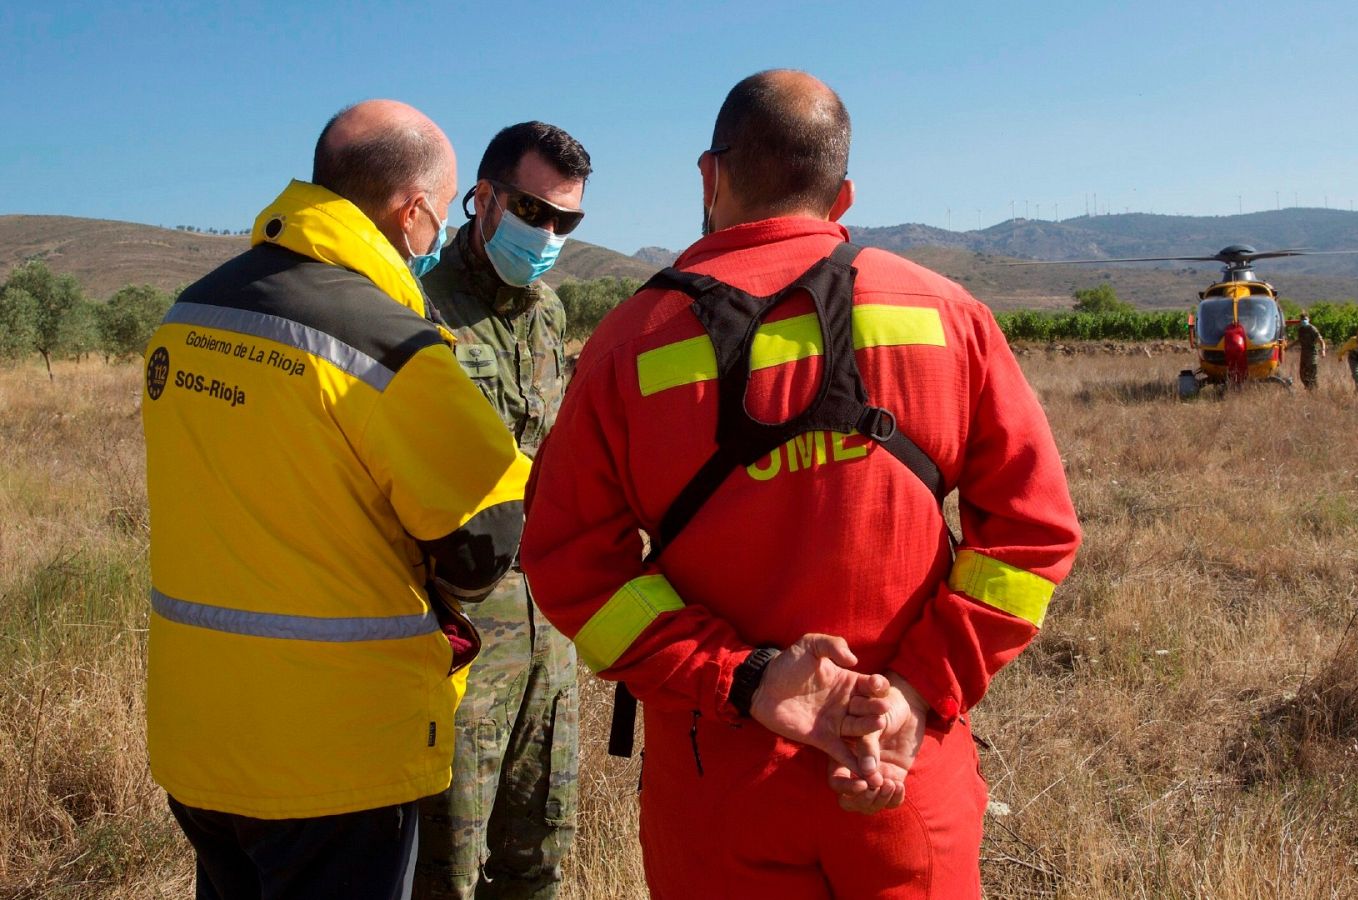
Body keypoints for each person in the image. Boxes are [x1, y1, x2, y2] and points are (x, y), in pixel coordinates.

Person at [520, 70, 1081, 898]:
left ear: (709, 178)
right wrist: (918, 689)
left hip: (717, 787)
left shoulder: (625, 345)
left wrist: (742, 677)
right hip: (899, 764)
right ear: (843, 194)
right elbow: (1034, 535)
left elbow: (569, 568)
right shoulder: (947, 313)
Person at [141, 99, 532, 900]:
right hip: (336, 760)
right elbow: (486, 538)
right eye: (442, 212)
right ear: (414, 211)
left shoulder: (190, 313)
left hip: (199, 739)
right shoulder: (389, 343)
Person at [414, 121, 590, 900]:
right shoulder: (415, 303)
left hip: (550, 626)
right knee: (444, 867)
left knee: (540, 852)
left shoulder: (549, 313)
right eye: (531, 210)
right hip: (456, 632)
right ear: (481, 198)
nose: (546, 232)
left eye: (565, 220)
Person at [1294, 313, 1327, 389]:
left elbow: (1321, 341)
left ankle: (1314, 391)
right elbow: (1299, 340)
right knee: (1302, 374)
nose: (1304, 321)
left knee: (1312, 374)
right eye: (1302, 319)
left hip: (1312, 354)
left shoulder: (1312, 329)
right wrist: (1288, 346)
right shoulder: (1301, 329)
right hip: (1304, 354)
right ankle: (1309, 388)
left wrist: (1323, 350)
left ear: (1309, 319)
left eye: (1305, 319)